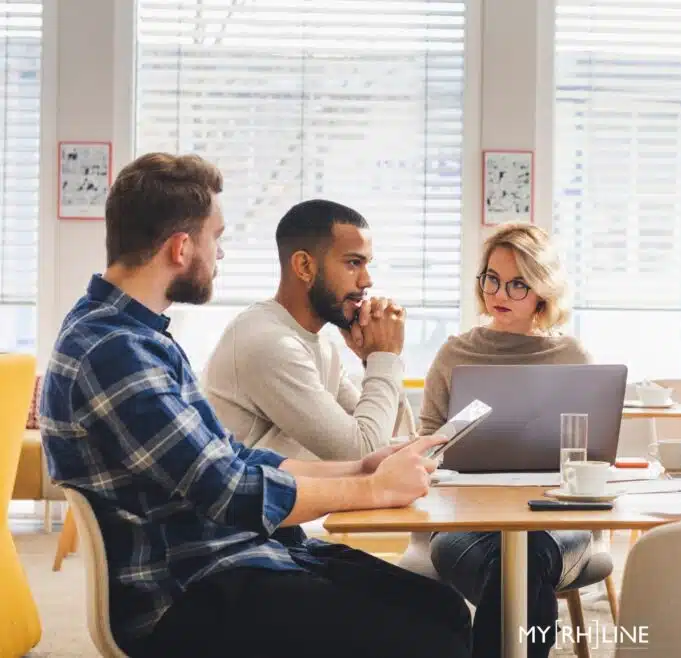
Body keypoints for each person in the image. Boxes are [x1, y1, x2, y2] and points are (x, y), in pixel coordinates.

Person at [39, 153, 471, 658]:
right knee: (429, 634)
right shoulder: (114, 351)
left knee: (440, 608)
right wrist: (371, 488)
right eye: (215, 237)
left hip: (231, 555)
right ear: (181, 247)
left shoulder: (139, 336)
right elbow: (227, 490)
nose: (219, 255)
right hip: (186, 592)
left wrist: (359, 466)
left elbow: (231, 457)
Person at [421, 223, 595, 658]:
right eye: (492, 279)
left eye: (518, 284)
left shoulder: (572, 358)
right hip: (466, 526)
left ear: (542, 291)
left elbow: (594, 458)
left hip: (557, 525)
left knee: (528, 554)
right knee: (513, 568)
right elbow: (424, 447)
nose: (499, 292)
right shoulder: (453, 355)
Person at [203, 199, 414, 462]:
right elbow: (363, 453)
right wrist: (384, 356)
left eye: (367, 264)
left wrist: (374, 360)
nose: (367, 280)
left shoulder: (317, 344)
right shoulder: (269, 343)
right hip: (253, 502)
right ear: (304, 266)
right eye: (353, 263)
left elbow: (392, 438)